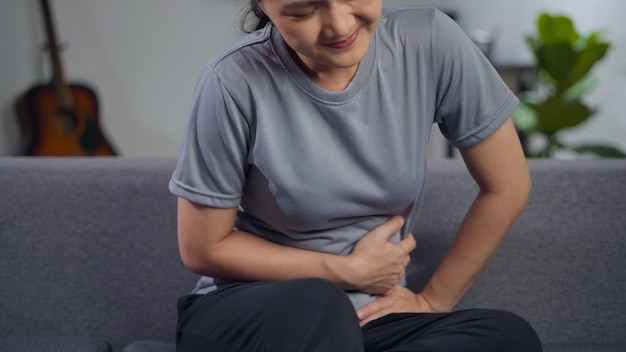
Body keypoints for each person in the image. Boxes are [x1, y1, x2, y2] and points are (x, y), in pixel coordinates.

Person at [169, 0, 543, 351]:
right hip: (253, 311)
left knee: (507, 337)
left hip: (373, 319)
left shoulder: (430, 42)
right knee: (318, 301)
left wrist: (430, 301)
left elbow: (506, 186)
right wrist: (343, 271)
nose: (340, 24)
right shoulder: (232, 80)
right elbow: (203, 247)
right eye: (304, 10)